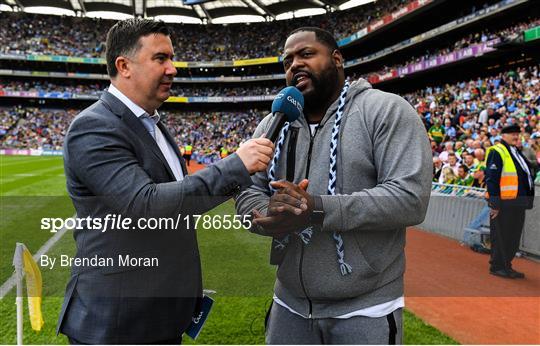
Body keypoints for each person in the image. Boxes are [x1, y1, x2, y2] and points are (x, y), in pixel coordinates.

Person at [57, 19, 274, 344]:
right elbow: (146, 205)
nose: (173, 69)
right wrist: (236, 166)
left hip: (160, 313)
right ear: (124, 65)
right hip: (117, 321)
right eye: (161, 58)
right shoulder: (93, 127)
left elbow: (180, 201)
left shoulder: (153, 124)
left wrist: (250, 193)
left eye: (172, 58)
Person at [235, 27, 431, 344]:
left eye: (306, 54)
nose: (294, 65)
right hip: (290, 303)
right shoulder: (273, 123)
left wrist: (316, 209)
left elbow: (410, 198)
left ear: (337, 59)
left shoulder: (385, 110)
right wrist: (264, 213)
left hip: (365, 308)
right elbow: (246, 187)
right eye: (287, 61)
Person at [485, 124, 535, 279]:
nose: (516, 136)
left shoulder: (516, 151)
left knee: (513, 236)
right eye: (512, 134)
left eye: (517, 134)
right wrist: (494, 204)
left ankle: (507, 264)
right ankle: (498, 266)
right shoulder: (497, 151)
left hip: (517, 203)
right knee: (502, 235)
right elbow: (492, 179)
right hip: (504, 203)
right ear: (503, 135)